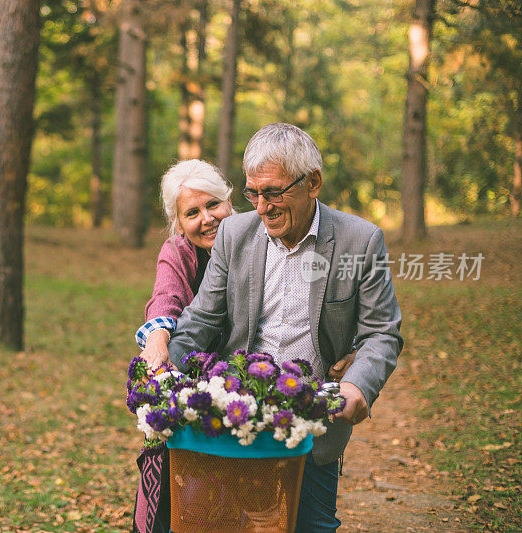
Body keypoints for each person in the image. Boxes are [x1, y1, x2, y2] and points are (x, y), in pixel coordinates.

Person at [166, 123, 403, 532]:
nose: (261, 207)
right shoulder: (234, 235)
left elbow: (382, 331)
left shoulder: (360, 241)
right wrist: (164, 371)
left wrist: (358, 385)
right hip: (236, 420)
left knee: (312, 525)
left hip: (313, 424)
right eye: (252, 193)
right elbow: (201, 318)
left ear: (313, 183)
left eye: (273, 193)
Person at [132, 159, 235, 533]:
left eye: (213, 205)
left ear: (229, 201)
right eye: (192, 212)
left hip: (244, 381)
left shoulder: (257, 239)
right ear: (179, 223)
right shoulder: (178, 252)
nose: (206, 218)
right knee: (181, 497)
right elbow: (165, 298)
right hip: (195, 383)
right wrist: (157, 341)